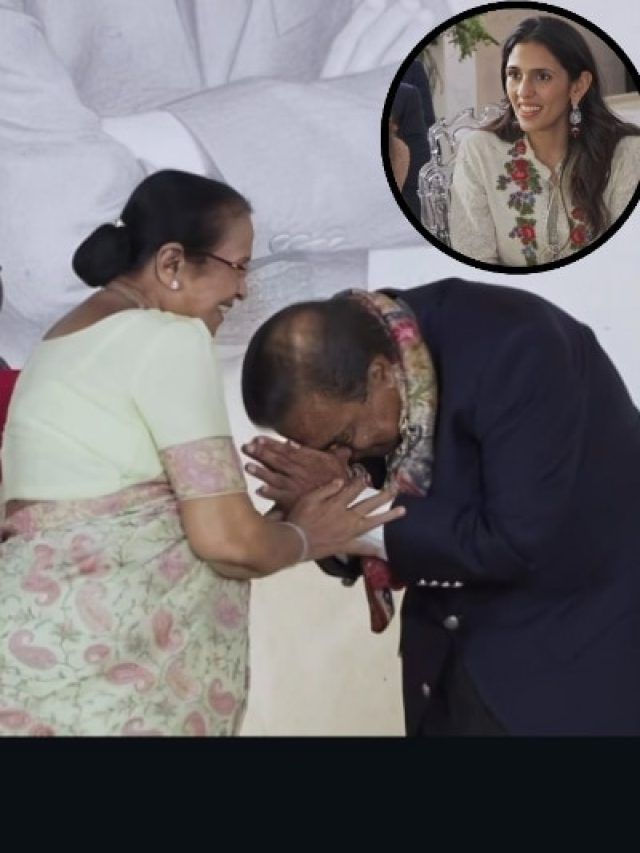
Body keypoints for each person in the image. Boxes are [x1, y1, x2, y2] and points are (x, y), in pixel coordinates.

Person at [0, 170, 402, 737]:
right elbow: (226, 544)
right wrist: (313, 536)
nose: (242, 291)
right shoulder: (166, 337)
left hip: (37, 663)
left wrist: (289, 517)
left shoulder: (63, 340)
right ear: (172, 262)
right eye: (238, 266)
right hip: (100, 685)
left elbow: (137, 522)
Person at [240, 278, 640, 736]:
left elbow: (513, 542)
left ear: (380, 374)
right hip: (443, 656)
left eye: (342, 439)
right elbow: (368, 513)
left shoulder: (519, 348)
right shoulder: (365, 349)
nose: (345, 456)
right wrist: (318, 512)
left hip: (567, 658)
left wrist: (350, 508)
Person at [0, 0, 452, 367]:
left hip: (331, 392)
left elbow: (455, 147)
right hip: (81, 406)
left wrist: (140, 146)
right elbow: (63, 252)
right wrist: (328, 115)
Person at [449, 16, 640, 266]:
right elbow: (473, 261)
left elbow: (628, 261)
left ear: (578, 86)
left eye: (542, 77)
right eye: (514, 75)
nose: (523, 91)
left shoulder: (625, 154)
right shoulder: (480, 151)